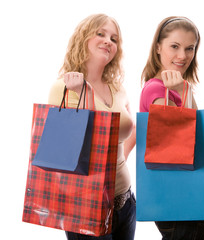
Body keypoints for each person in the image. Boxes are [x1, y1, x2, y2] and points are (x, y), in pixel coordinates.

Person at [48, 14, 136, 240]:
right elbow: (72, 148)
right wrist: (84, 93)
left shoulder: (118, 88)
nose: (108, 41)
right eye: (101, 34)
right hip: (86, 205)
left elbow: (129, 130)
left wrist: (119, 161)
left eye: (114, 38)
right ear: (83, 38)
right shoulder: (64, 88)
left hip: (125, 202)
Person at [139, 16, 204, 240]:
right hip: (178, 198)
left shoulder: (176, 88)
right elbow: (182, 142)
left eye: (190, 48)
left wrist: (184, 90)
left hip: (182, 195)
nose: (183, 56)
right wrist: (184, 90)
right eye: (175, 47)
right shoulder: (158, 91)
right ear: (158, 47)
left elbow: (197, 130)